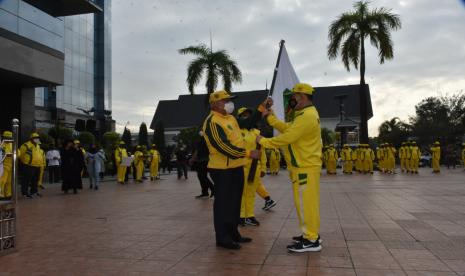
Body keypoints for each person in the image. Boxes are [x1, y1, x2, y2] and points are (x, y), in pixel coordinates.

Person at [257, 83, 322, 253]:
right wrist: (271, 117)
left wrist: (263, 141)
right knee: (308, 204)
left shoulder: (307, 116)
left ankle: (311, 240)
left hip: (305, 166)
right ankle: (311, 234)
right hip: (305, 165)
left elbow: (288, 137)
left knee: (305, 204)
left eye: (294, 96)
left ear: (303, 97)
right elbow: (288, 129)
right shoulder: (304, 114)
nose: (292, 99)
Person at [202, 90, 264, 250]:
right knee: (223, 204)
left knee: (235, 203)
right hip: (222, 170)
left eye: (229, 100)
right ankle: (222, 238)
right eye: (225, 100)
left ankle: (233, 233)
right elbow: (223, 147)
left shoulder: (230, 118)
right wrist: (249, 153)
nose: (229, 103)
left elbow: (248, 123)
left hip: (236, 167)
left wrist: (262, 109)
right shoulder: (212, 122)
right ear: (215, 104)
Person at [237, 107, 267, 227]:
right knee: (242, 193)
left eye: (249, 115)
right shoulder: (237, 131)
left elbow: (262, 151)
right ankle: (241, 216)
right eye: (244, 115)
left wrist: (264, 167)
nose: (247, 117)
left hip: (255, 167)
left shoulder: (257, 133)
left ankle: (249, 215)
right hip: (242, 165)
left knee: (251, 193)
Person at [19, 133, 43, 198]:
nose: (37, 139)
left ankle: (34, 192)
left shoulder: (38, 145)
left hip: (37, 165)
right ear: (31, 139)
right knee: (26, 180)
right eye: (35, 138)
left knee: (35, 180)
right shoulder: (26, 145)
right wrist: (25, 162)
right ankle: (25, 193)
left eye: (38, 138)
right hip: (28, 165)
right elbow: (21, 155)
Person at [190, 133, 214, 198]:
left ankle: (212, 189)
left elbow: (197, 151)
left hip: (201, 161)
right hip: (207, 160)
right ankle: (205, 192)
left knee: (202, 176)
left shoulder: (199, 142)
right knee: (202, 176)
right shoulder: (208, 141)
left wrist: (192, 159)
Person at [0, 131, 13, 199]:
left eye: (10, 138)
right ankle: (1, 194)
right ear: (4, 137)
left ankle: (8, 194)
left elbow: (18, 152)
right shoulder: (1, 144)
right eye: (7, 137)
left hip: (11, 166)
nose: (9, 139)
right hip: (3, 165)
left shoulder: (12, 144)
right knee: (2, 181)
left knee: (9, 181)